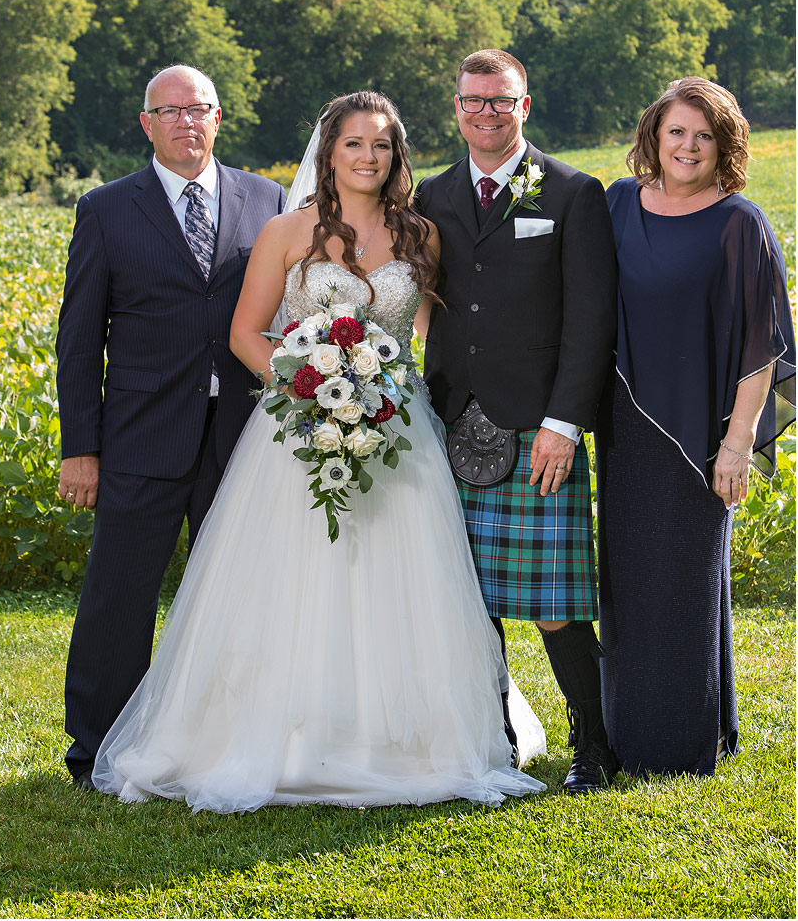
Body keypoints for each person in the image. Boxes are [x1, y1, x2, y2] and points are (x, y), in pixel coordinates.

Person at [91, 90, 547, 811]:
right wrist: (311, 387)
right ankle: (280, 734)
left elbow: (431, 334)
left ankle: (407, 740)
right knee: (294, 582)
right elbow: (247, 333)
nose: (369, 158)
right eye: (354, 145)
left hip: (402, 437)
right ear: (328, 152)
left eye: (383, 146)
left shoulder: (420, 235)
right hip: (297, 435)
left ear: (396, 156)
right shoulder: (285, 231)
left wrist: (388, 392)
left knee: (401, 580)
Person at [56, 64, 286, 790]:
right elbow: (77, 337)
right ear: (146, 124)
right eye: (171, 112)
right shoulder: (106, 209)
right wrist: (81, 448)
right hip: (141, 436)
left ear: (219, 118)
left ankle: (224, 739)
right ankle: (95, 749)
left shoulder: (267, 199)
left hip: (242, 440)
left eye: (200, 110)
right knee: (118, 599)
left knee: (238, 598)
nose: (188, 123)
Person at [414, 49, 618, 794]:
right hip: (445, 425)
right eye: (473, 100)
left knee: (557, 607)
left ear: (523, 106)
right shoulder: (431, 196)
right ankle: (492, 735)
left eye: (500, 100)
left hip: (538, 427)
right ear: (456, 108)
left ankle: (593, 744)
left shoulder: (570, 192)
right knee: (469, 601)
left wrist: (565, 422)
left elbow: (590, 320)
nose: (485, 112)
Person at [594, 76, 796, 777]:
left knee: (685, 579)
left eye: (702, 136)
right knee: (627, 580)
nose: (687, 146)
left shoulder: (739, 223)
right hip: (624, 426)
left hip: (702, 431)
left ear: (723, 147)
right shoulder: (617, 203)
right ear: (653, 134)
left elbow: (759, 347)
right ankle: (624, 735)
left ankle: (679, 744)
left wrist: (737, 445)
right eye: (676, 131)